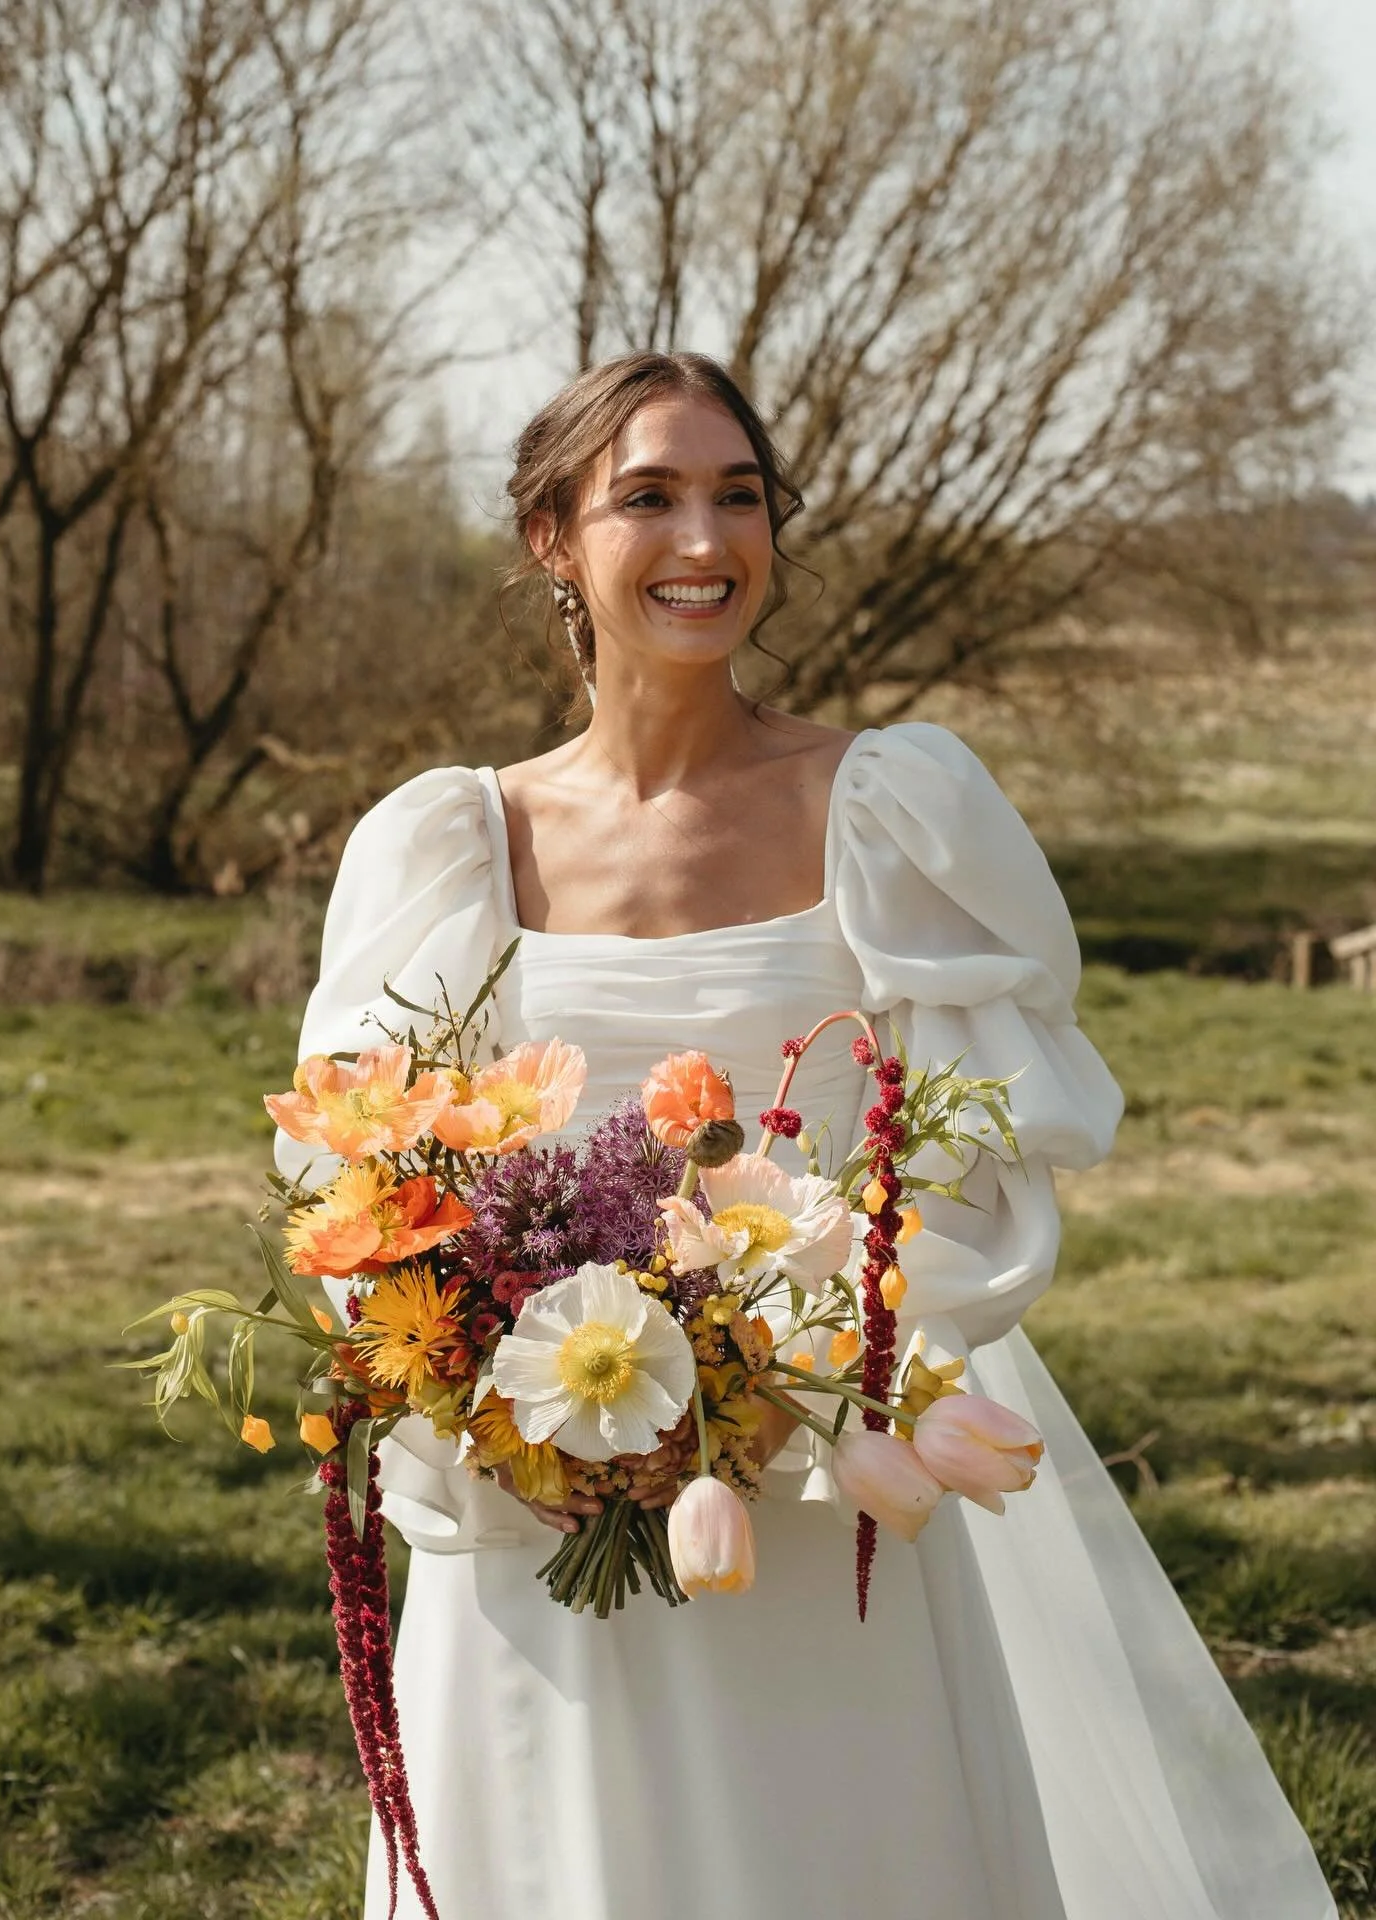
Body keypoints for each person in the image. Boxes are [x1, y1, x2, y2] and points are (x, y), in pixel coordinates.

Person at [276, 352, 1336, 1920]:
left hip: (816, 1482)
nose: (706, 541)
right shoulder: (448, 844)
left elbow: (969, 1163)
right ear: (552, 538)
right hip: (528, 1500)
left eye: (740, 496)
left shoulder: (889, 808)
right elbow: (373, 1188)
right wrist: (494, 1402)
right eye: (648, 498)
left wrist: (776, 1389)